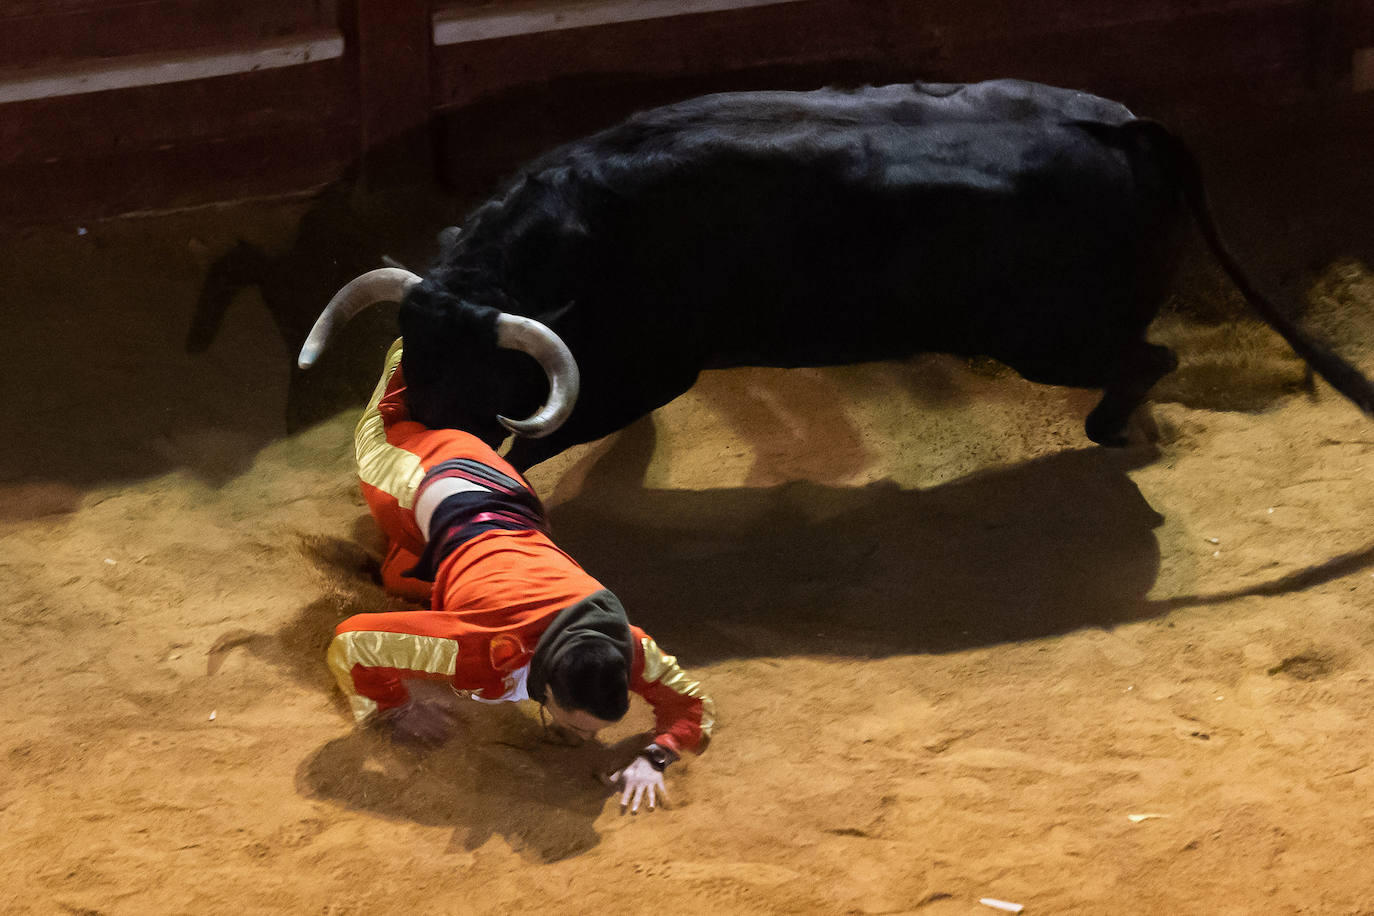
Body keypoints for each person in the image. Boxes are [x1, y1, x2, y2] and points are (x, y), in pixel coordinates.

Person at [325, 340, 714, 812]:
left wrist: (657, 755)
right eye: (578, 726)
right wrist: (391, 710)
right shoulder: (475, 645)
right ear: (547, 686)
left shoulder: (626, 647)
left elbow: (691, 706)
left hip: (512, 500)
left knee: (404, 585)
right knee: (377, 430)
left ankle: (406, 559)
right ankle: (413, 334)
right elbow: (353, 643)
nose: (584, 739)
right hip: (420, 480)